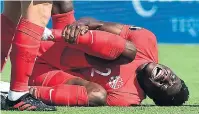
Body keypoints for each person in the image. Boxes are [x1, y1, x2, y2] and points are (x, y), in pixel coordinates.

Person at [27, 17, 189, 106]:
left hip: (46, 75)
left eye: (165, 86)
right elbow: (96, 24)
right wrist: (79, 26)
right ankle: (47, 33)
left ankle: (22, 92)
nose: (166, 77)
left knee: (97, 96)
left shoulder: (127, 98)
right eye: (173, 78)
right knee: (128, 51)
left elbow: (88, 95)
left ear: (152, 94)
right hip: (60, 42)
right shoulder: (147, 40)